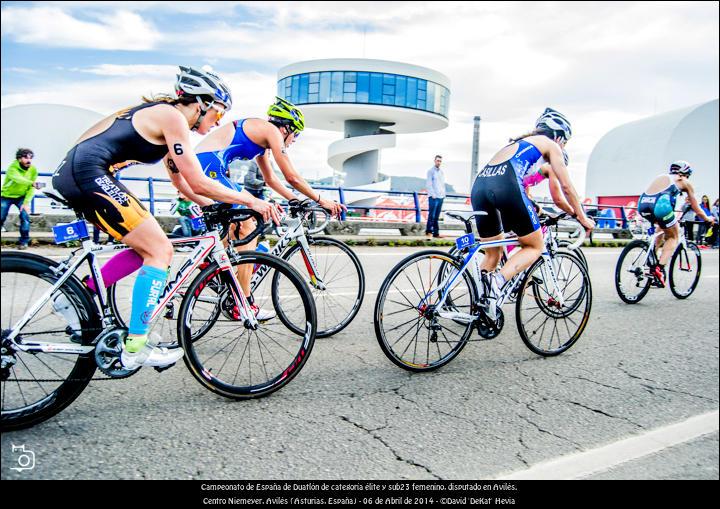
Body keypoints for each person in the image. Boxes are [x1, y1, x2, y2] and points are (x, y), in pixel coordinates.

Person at [50, 65, 281, 371]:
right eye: (219, 112)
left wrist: (207, 205)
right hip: (88, 174)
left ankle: (80, 294)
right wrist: (250, 200)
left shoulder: (164, 119)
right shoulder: (173, 118)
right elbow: (198, 180)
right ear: (203, 103)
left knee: (144, 249)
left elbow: (181, 182)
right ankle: (136, 346)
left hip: (82, 172)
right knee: (161, 251)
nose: (219, 121)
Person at [189, 96, 345, 309]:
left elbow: (271, 179)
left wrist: (295, 200)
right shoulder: (271, 131)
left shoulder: (262, 141)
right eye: (295, 134)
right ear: (286, 128)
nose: (294, 140)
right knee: (248, 225)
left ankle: (210, 261)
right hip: (209, 166)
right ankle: (243, 301)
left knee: (237, 225)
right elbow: (292, 177)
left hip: (207, 165)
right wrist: (321, 200)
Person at [471, 108, 595, 319]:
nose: (563, 146)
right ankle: (497, 283)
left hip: (480, 186)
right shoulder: (551, 145)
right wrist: (582, 217)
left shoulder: (519, 142)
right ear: (559, 136)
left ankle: (481, 305)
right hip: (505, 186)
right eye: (565, 141)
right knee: (535, 246)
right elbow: (567, 187)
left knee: (494, 252)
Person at [636, 160, 714, 286]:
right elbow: (696, 207)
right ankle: (659, 269)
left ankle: (651, 261)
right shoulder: (684, 181)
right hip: (660, 206)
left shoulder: (662, 177)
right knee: (673, 236)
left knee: (661, 229)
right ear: (685, 173)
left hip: (643, 205)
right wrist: (707, 218)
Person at [1, 148, 40, 249]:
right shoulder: (12, 168)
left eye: (31, 158)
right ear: (19, 159)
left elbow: (32, 188)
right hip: (6, 196)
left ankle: (24, 242)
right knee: (1, 217)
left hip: (22, 197)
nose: (29, 160)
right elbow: (18, 179)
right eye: (25, 157)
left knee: (25, 217)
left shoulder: (33, 170)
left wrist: (26, 202)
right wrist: (31, 183)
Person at [425, 155, 446, 238]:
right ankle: (428, 232)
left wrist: (443, 194)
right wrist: (433, 194)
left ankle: (436, 233)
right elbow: (429, 184)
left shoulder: (441, 172)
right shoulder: (430, 171)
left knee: (437, 216)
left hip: (441, 196)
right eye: (437, 160)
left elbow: (442, 184)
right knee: (431, 215)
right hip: (433, 197)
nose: (439, 162)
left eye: (440, 161)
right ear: (434, 161)